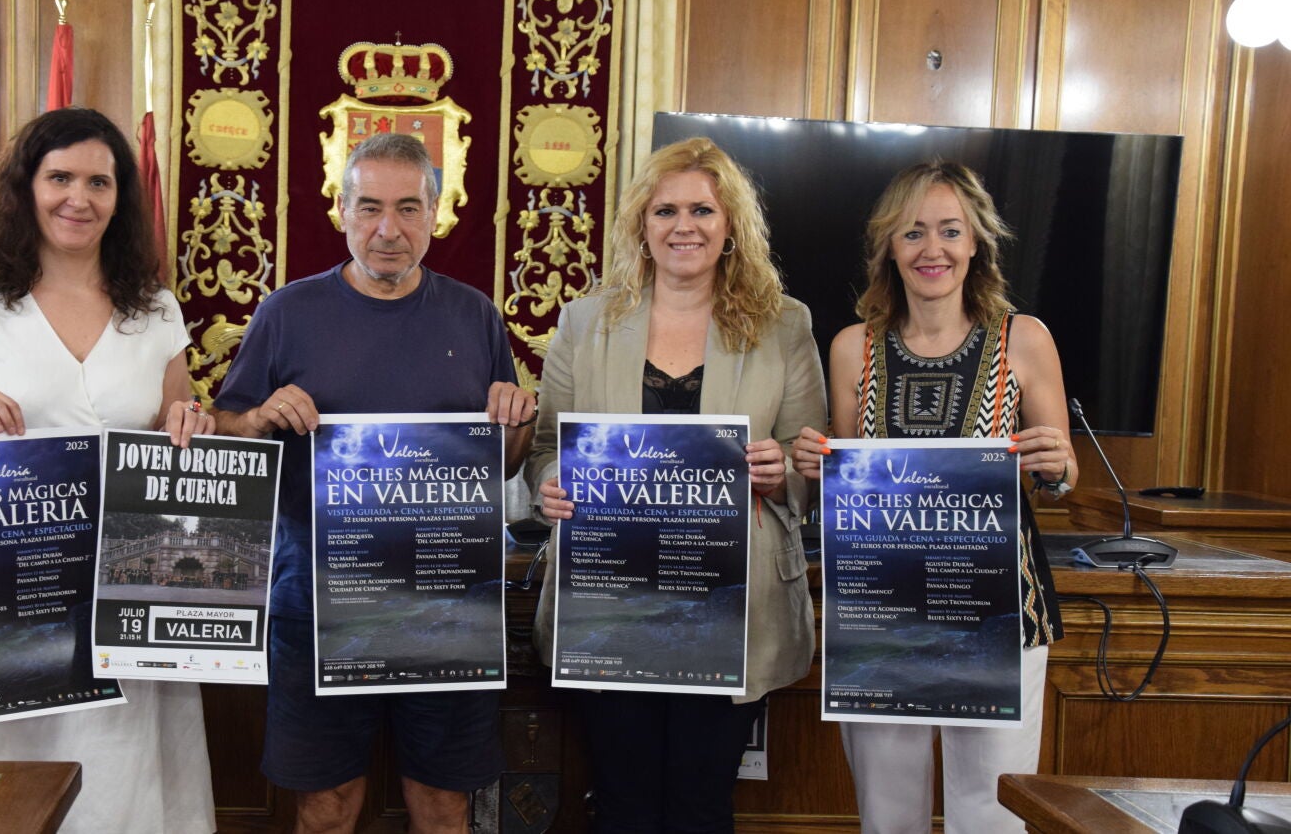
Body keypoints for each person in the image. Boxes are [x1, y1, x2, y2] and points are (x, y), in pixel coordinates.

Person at [211, 133, 537, 834]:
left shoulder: (474, 314)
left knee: (443, 807)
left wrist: (517, 420)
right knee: (327, 808)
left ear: (434, 214)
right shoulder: (286, 312)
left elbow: (506, 462)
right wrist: (261, 417)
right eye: (370, 208)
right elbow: (225, 430)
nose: (389, 229)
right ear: (342, 210)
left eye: (408, 208)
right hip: (315, 604)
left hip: (449, 601)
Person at [0, 107, 216, 834]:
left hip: (121, 601)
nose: (80, 198)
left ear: (120, 197)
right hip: (3, 596)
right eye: (61, 178)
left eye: (99, 182)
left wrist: (190, 423)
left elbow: (175, 427)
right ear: (28, 187)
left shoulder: (156, 311)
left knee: (118, 795)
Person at [528, 136, 826, 833]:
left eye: (702, 210)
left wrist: (782, 469)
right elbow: (546, 449)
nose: (683, 226)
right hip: (609, 600)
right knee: (622, 804)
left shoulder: (785, 324)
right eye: (665, 211)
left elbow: (808, 453)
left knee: (700, 806)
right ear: (642, 224)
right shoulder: (585, 321)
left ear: (731, 226)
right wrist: (549, 486)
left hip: (733, 606)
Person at [791, 160, 1076, 834]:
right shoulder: (852, 348)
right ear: (889, 246)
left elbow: (1061, 476)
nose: (933, 249)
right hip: (882, 613)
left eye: (950, 230)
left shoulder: (1024, 339)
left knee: (993, 813)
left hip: (999, 610)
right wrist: (816, 466)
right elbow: (846, 486)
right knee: (887, 814)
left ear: (976, 242)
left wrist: (1057, 466)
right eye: (913, 232)